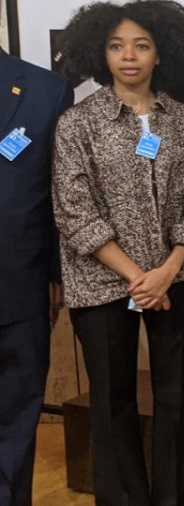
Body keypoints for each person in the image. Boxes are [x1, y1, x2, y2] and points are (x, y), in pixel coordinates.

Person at [51, 0, 184, 506]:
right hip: (100, 285)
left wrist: (166, 272)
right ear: (101, 53)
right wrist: (137, 277)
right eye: (117, 45)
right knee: (111, 401)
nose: (129, 56)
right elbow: (75, 211)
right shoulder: (76, 124)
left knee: (177, 400)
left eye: (141, 45)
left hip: (177, 282)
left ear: (160, 53)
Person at [0, 35, 72, 506]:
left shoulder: (47, 88)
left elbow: (56, 193)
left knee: (16, 417)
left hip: (18, 284)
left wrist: (55, 274)